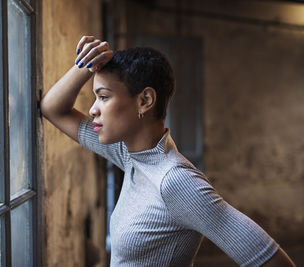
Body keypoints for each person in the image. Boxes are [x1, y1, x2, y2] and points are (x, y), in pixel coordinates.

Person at [41, 36, 296, 267]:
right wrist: (85, 64)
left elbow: (272, 261)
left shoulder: (176, 181)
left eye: (104, 97)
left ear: (145, 101)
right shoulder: (129, 153)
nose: (93, 109)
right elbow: (53, 109)